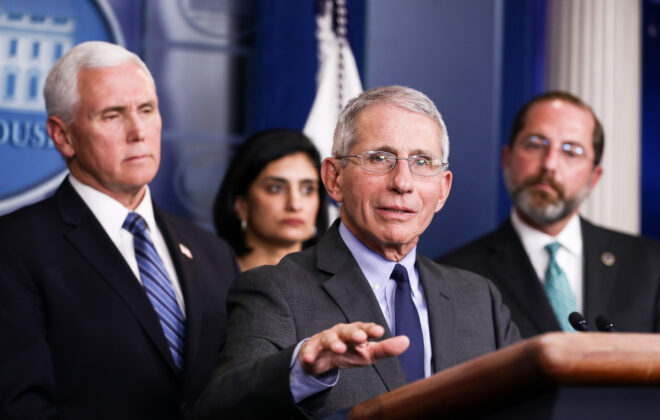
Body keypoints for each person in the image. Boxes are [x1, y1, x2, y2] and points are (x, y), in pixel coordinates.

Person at [193, 85, 520, 419]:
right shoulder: (276, 290)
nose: (403, 182)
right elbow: (219, 410)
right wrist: (302, 371)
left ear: (442, 190)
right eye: (380, 158)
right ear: (334, 179)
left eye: (422, 162)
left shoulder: (480, 299)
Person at [0, 41, 238, 418]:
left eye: (147, 110)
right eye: (112, 115)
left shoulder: (213, 253)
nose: (138, 131)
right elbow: (20, 406)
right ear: (62, 136)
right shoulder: (14, 248)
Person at [439, 91, 660, 338]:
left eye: (571, 151)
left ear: (594, 177)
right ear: (507, 158)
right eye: (536, 144)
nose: (549, 164)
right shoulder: (454, 274)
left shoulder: (651, 265)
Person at [213, 129, 328, 271]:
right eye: (276, 188)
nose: (295, 205)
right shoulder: (208, 280)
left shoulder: (340, 286)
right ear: (241, 204)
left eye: (307, 190)